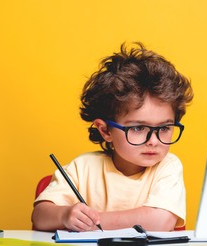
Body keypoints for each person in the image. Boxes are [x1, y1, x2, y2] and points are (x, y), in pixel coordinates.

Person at [31, 42, 193, 232]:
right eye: (139, 128)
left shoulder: (167, 166)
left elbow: (160, 222)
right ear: (105, 130)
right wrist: (65, 215)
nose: (154, 141)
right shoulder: (82, 168)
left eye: (165, 128)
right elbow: (40, 217)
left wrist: (93, 223)